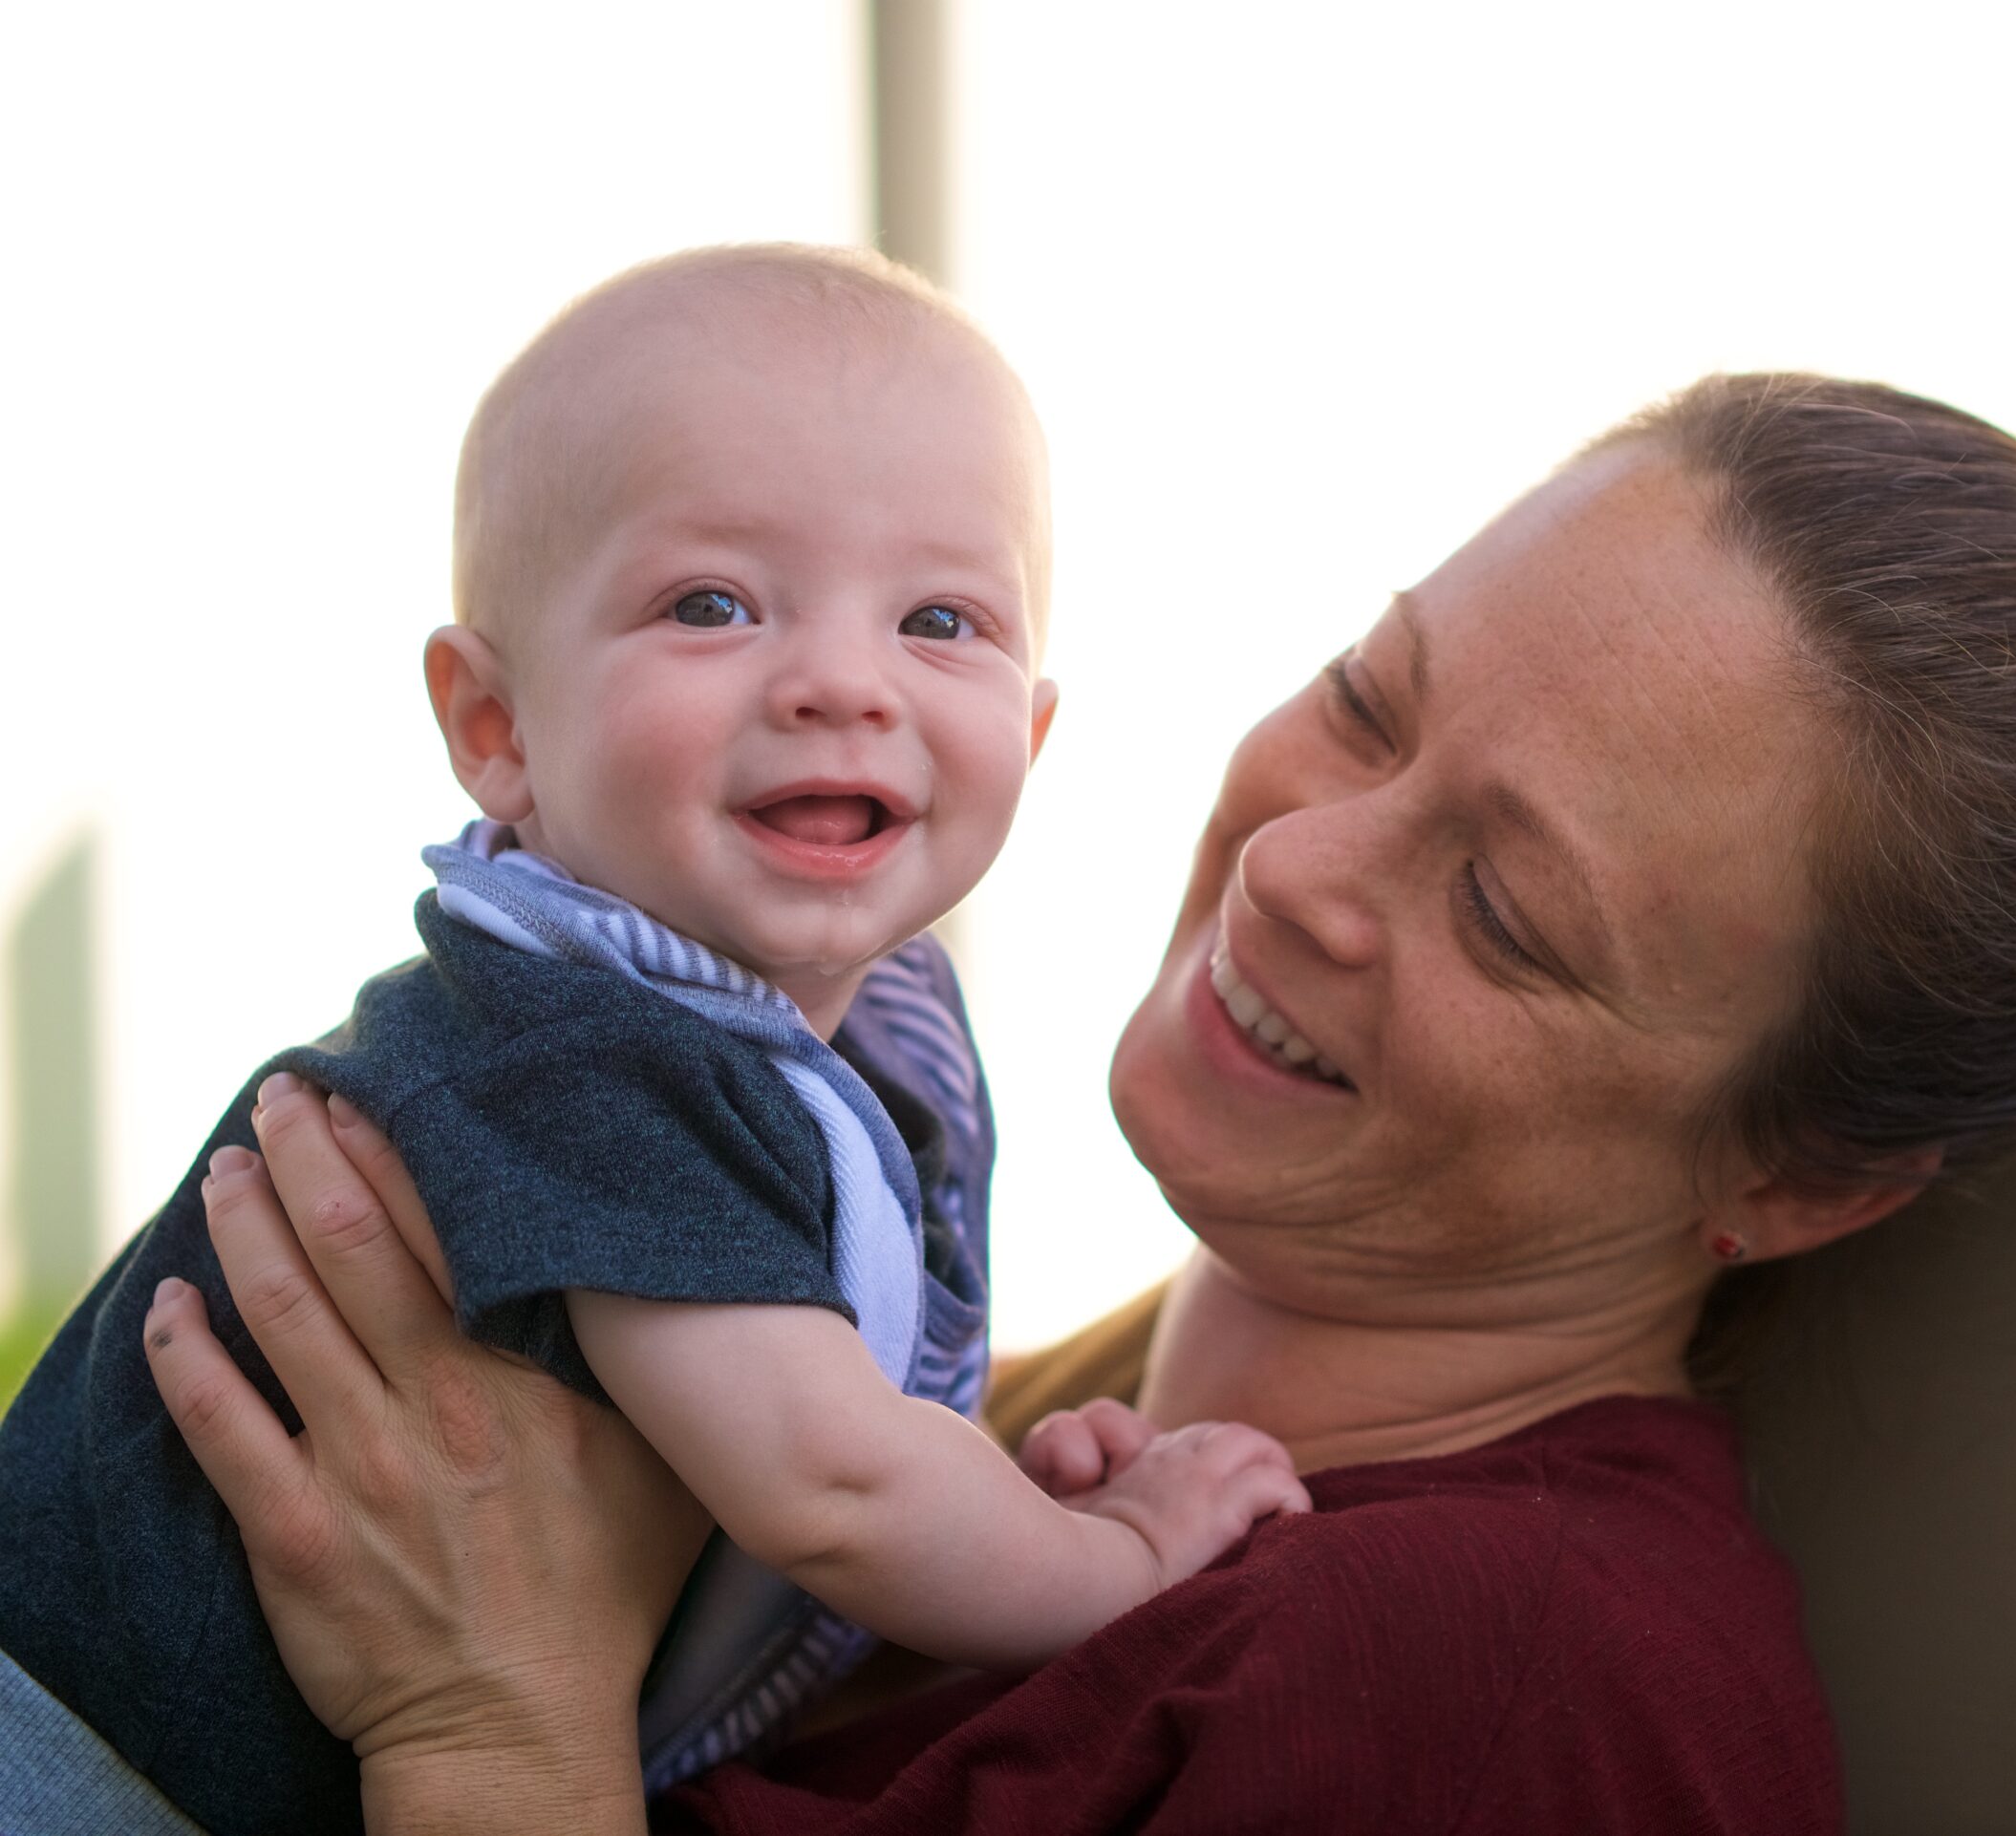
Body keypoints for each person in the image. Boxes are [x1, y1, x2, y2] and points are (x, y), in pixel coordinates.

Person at [139, 374, 2016, 1835]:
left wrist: (486, 1740)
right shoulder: (968, 1441)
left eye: (1501, 909)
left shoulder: (1499, 1697)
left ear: (1802, 1176)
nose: (1296, 863)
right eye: (1367, 701)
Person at [0, 245, 1304, 1836]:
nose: (843, 679)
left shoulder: (849, 1040)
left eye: (940, 618)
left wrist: (995, 1501)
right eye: (712, 603)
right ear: (498, 726)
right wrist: (1121, 1561)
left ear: (1029, 733)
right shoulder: (577, 1049)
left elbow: (826, 1447)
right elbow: (833, 1486)